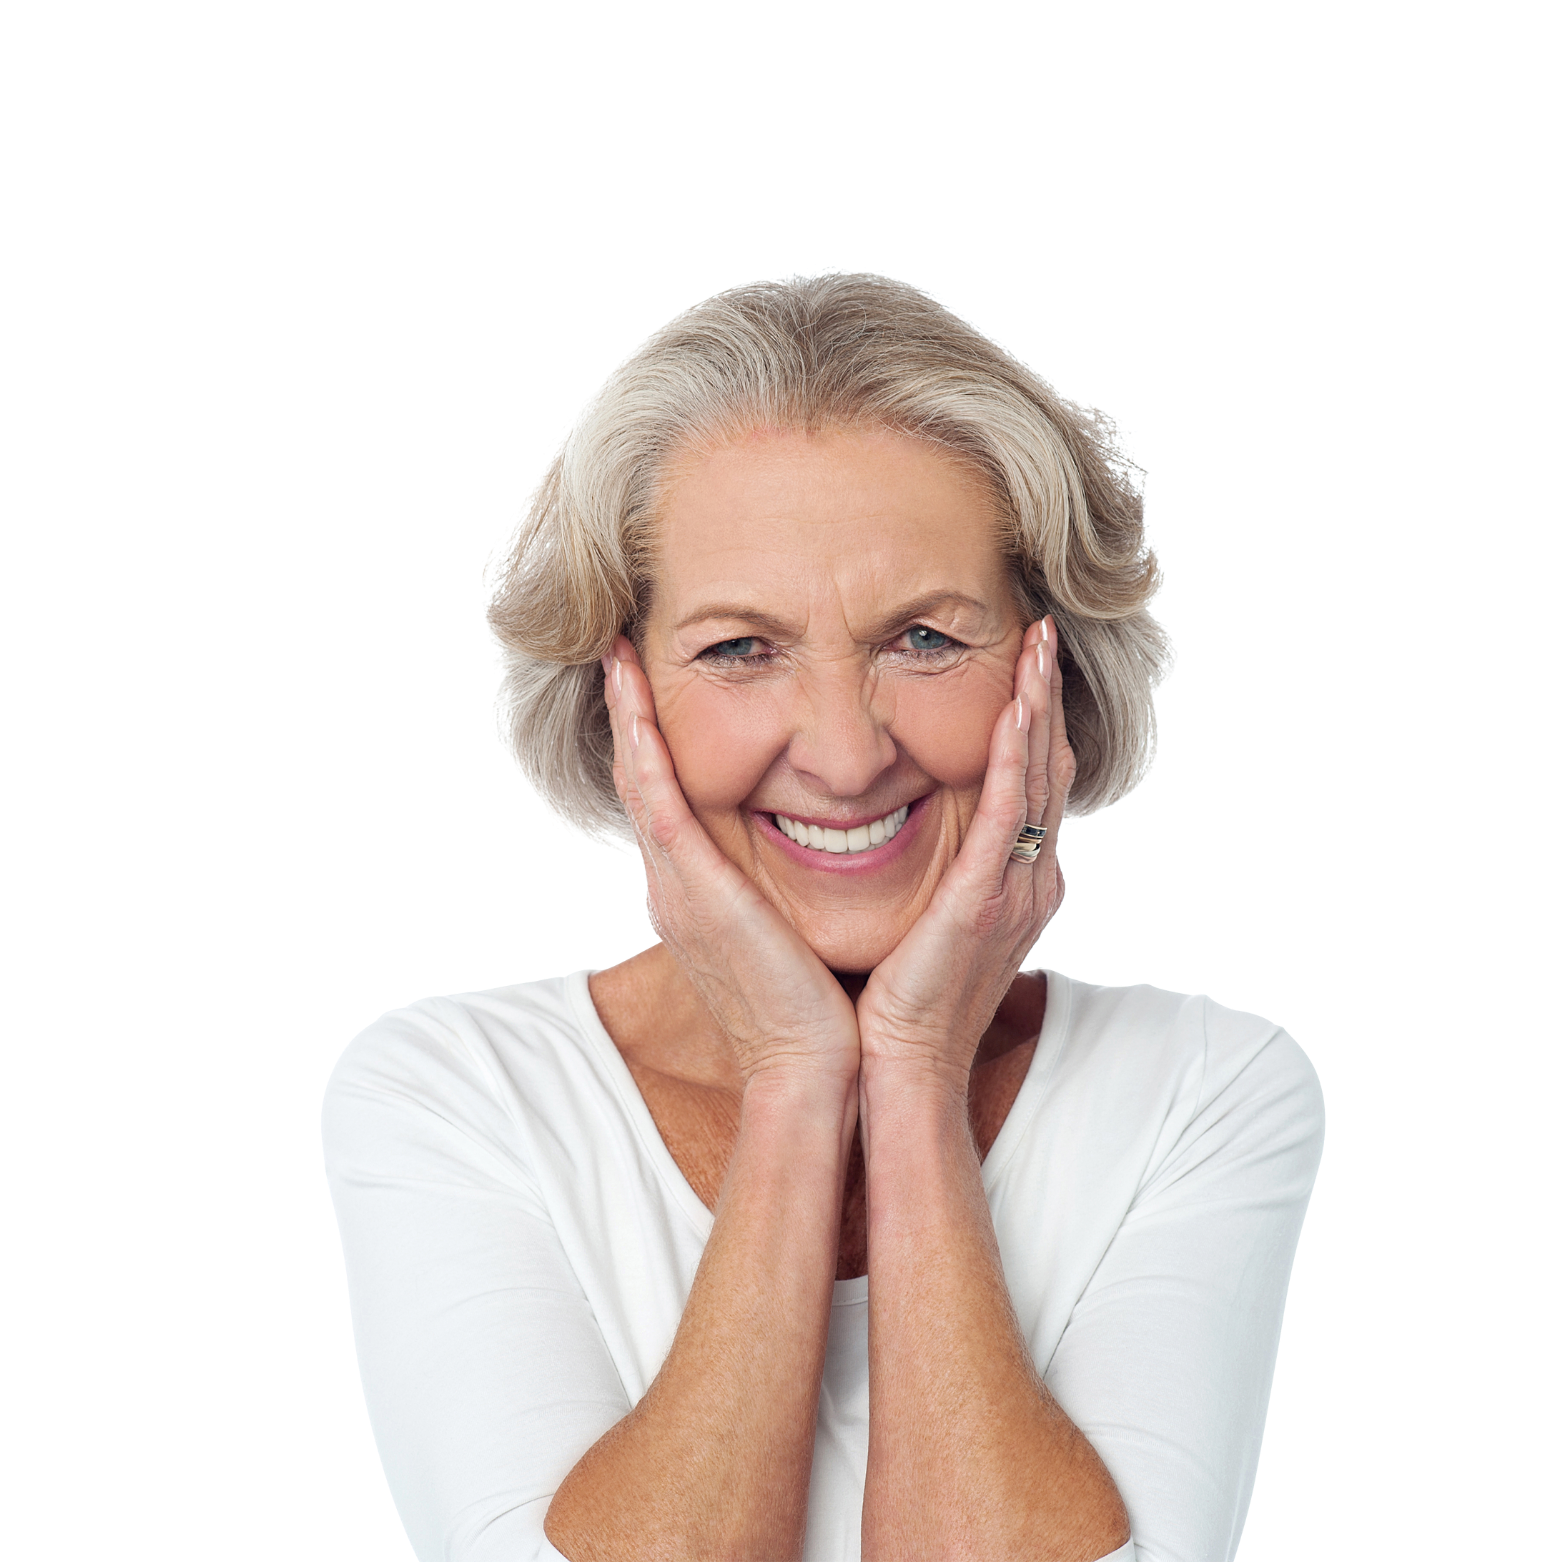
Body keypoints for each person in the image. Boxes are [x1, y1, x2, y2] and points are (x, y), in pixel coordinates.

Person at [321, 271, 1328, 1563]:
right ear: (619, 700)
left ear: (1052, 670)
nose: (846, 759)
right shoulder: (447, 1093)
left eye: (924, 639)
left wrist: (910, 1068)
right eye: (740, 649)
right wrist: (798, 1074)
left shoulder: (1204, 1090)